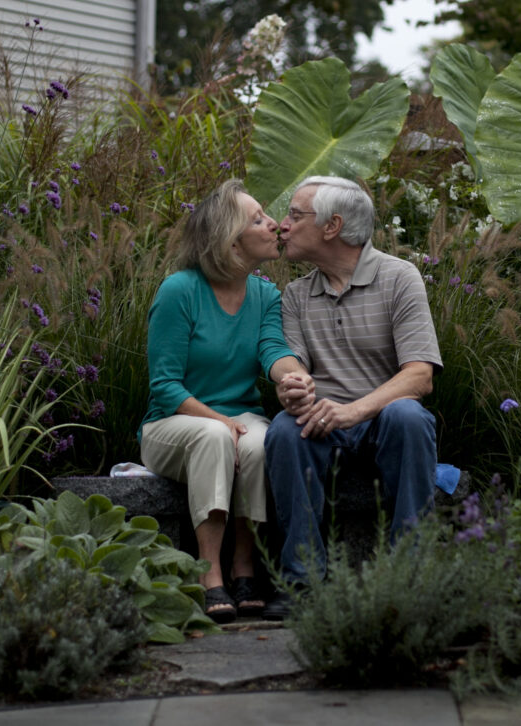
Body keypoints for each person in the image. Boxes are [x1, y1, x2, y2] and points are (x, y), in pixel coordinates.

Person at [262, 175, 442, 621]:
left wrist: (354, 410)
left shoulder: (400, 277)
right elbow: (293, 364)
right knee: (284, 430)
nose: (282, 225)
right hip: (323, 424)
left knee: (409, 415)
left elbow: (419, 376)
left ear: (332, 226)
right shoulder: (297, 295)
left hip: (379, 419)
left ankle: (408, 575)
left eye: (295, 215)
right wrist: (294, 387)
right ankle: (302, 579)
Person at [138, 179, 314, 624]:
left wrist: (293, 376)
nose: (274, 223)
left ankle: (245, 566)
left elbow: (273, 349)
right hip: (172, 424)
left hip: (238, 419)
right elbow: (165, 387)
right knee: (218, 436)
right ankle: (208, 573)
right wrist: (222, 421)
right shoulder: (179, 291)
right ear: (229, 239)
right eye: (258, 219)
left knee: (261, 441)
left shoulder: (264, 294)